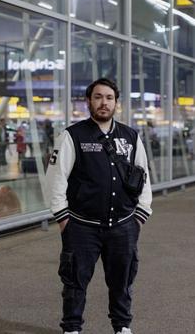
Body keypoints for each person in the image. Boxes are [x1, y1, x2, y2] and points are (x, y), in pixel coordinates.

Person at [46, 78, 153, 334]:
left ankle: (122, 326)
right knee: (75, 281)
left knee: (122, 281)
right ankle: (72, 328)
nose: (103, 103)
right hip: (81, 226)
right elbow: (55, 178)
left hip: (124, 225)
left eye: (108, 98)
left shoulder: (131, 136)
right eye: (97, 97)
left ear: (116, 103)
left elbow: (144, 176)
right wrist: (63, 219)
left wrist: (141, 214)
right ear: (88, 101)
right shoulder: (73, 136)